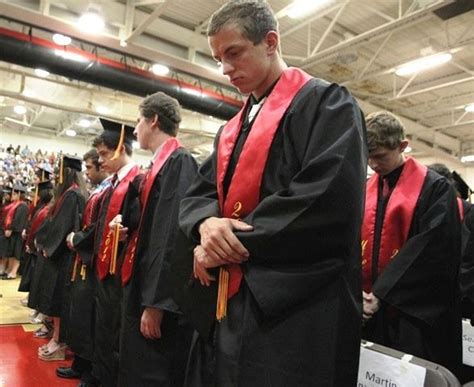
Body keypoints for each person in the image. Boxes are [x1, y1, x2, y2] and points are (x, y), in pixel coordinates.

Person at [175, 1, 367, 386]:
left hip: (295, 307)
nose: (225, 69)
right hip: (230, 301)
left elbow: (326, 199)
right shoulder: (232, 128)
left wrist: (223, 243)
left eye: (234, 53)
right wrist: (206, 224)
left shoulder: (327, 105)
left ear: (270, 42)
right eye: (218, 59)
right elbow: (199, 194)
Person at [361, 111, 461, 373]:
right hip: (367, 307)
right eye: (368, 157)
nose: (373, 164)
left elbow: (430, 247)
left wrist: (381, 294)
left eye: (380, 156)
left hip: (409, 315)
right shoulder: (366, 188)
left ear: (402, 146)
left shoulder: (435, 188)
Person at [116, 92, 197, 386]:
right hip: (144, 284)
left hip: (159, 295)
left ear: (153, 119)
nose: (135, 129)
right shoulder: (156, 166)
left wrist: (156, 304)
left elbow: (171, 237)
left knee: (153, 370)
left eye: (139, 121)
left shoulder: (179, 162)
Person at [92, 119, 141, 387]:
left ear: (120, 148)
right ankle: (100, 376)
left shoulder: (138, 182)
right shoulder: (111, 184)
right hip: (103, 268)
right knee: (102, 325)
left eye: (103, 154)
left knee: (114, 332)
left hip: (121, 271)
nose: (100, 161)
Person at [56, 149, 109, 387]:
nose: (85, 172)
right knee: (78, 312)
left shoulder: (109, 190)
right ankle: (79, 364)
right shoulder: (97, 191)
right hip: (84, 260)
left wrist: (76, 239)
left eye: (89, 167)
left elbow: (99, 227)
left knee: (89, 317)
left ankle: (89, 372)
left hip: (96, 261)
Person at [35, 154, 87, 361]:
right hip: (58, 255)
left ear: (67, 172)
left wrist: (49, 246)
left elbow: (64, 226)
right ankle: (55, 337)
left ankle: (59, 341)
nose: (56, 176)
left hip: (64, 257)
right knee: (54, 300)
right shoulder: (67, 194)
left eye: (59, 171)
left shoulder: (72, 195)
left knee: (59, 301)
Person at [1, 184, 28, 280]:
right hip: (13, 233)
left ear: (19, 194)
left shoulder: (23, 205)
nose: (12, 195)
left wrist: (11, 228)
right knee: (11, 252)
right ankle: (9, 270)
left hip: (17, 232)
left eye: (14, 194)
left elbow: (18, 220)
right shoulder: (14, 205)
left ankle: (13, 272)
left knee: (16, 253)